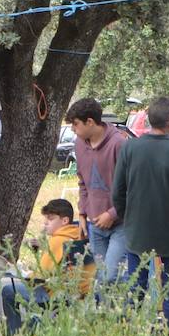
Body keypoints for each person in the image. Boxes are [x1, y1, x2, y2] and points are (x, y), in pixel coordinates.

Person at [110, 97, 169, 330]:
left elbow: (117, 191)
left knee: (136, 284)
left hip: (137, 230)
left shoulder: (130, 147)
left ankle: (134, 330)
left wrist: (127, 216)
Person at [0, 198, 93, 336]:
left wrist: (22, 273)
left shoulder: (56, 241)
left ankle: (15, 334)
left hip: (56, 293)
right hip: (81, 292)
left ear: (64, 221)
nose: (45, 223)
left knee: (8, 290)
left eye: (50, 219)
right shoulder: (79, 235)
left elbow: (40, 277)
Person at [65, 97, 130, 288]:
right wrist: (83, 213)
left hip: (121, 223)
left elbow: (132, 186)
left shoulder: (119, 143)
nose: (72, 129)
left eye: (75, 124)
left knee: (110, 276)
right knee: (102, 278)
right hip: (94, 224)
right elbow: (83, 182)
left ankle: (133, 302)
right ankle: (105, 315)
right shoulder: (79, 143)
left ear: (90, 122)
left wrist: (112, 213)